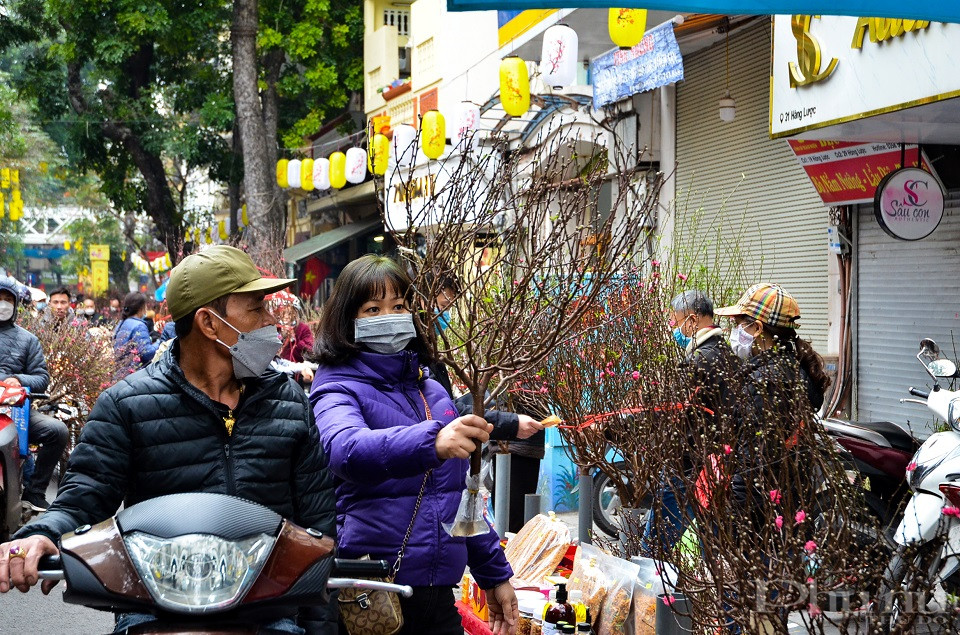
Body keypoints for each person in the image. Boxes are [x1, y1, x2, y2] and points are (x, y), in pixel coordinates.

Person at [0, 246, 336, 635]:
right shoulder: (126, 406)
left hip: (271, 613)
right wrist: (41, 534)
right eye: (257, 308)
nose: (271, 321)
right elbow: (84, 498)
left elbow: (318, 526)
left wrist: (319, 625)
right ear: (209, 324)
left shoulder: (289, 401)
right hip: (155, 613)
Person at [310, 255, 518, 635]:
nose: (388, 316)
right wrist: (432, 441)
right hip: (375, 593)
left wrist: (494, 572)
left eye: (399, 306)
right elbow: (345, 449)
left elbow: (460, 494)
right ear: (347, 320)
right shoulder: (335, 385)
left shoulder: (433, 391)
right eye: (372, 308)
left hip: (438, 593)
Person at [429, 276, 545, 535]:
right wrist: (511, 423)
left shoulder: (432, 355)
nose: (445, 314)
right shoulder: (419, 357)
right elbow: (448, 412)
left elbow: (448, 406)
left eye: (450, 307)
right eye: (443, 306)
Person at [643, 290, 741, 554]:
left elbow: (672, 414)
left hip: (686, 466)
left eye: (678, 322)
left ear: (693, 320)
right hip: (716, 468)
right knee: (715, 550)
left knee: (653, 550)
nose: (677, 330)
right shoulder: (729, 356)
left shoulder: (699, 360)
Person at [0, 277, 68, 513]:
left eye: (8, 299)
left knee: (57, 431)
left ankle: (35, 491)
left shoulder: (28, 340)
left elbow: (41, 378)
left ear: (16, 304)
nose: (3, 304)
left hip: (17, 411)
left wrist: (18, 379)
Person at [113, 292, 160, 370]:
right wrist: (161, 342)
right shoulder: (139, 326)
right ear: (141, 308)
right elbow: (147, 353)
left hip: (121, 371)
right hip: (134, 373)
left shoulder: (122, 323)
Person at [279, 303, 315, 384]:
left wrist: (296, 341)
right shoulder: (277, 328)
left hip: (298, 372)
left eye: (290, 313)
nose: (286, 316)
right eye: (284, 313)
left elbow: (309, 348)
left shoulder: (303, 328)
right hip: (281, 369)